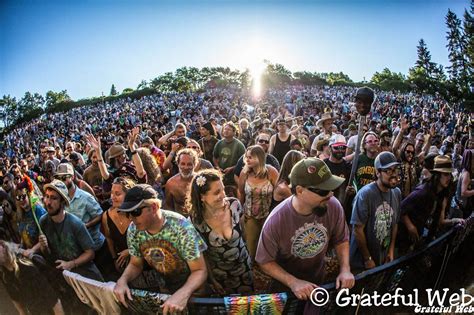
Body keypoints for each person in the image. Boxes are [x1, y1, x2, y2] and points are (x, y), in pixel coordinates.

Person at [256, 158, 354, 301]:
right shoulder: (276, 220)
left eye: (331, 189)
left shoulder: (333, 206)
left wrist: (345, 269)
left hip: (318, 280)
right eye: (323, 191)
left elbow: (341, 239)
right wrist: (293, 282)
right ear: (300, 190)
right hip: (285, 288)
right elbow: (264, 261)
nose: (330, 194)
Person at [113, 184, 207, 314]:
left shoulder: (181, 227)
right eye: (128, 214)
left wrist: (183, 294)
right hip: (166, 288)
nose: (132, 219)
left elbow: (199, 270)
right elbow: (135, 264)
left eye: (136, 212)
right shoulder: (134, 230)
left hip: (193, 291)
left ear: (154, 207)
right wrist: (122, 280)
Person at [189, 169, 253, 295]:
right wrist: (212, 280)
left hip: (244, 269)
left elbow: (244, 235)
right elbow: (203, 255)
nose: (223, 195)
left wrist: (249, 261)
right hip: (220, 276)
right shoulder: (195, 221)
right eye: (217, 192)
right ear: (202, 196)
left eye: (223, 189)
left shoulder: (234, 205)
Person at [36, 180, 103, 281]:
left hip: (86, 277)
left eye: (54, 198)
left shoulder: (75, 223)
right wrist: (44, 247)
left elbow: (90, 253)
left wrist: (71, 264)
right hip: (64, 277)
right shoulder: (43, 221)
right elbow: (48, 253)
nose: (48, 202)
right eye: (47, 196)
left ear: (63, 202)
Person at [398, 155, 465, 253]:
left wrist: (455, 220)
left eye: (450, 174)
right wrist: (410, 226)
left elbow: (440, 221)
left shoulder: (441, 193)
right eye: (445, 174)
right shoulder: (423, 192)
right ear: (437, 175)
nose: (449, 178)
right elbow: (400, 208)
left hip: (419, 236)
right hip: (404, 236)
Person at [350, 152, 402, 271]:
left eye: (395, 170)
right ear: (377, 173)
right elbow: (357, 229)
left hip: (383, 258)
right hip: (361, 263)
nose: (393, 174)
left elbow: (395, 224)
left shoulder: (396, 192)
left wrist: (391, 250)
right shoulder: (365, 194)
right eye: (388, 171)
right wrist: (367, 258)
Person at [0, 240, 65, 315]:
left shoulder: (26, 268)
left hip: (49, 309)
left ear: (4, 248)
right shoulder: (4, 274)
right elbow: (16, 301)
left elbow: (54, 301)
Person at [237, 145, 278, 260]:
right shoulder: (244, 173)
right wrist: (240, 212)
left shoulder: (271, 171)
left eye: (251, 157)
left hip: (268, 215)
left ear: (259, 158)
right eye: (246, 157)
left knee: (268, 245)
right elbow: (241, 193)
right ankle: (251, 270)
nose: (247, 159)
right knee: (251, 248)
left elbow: (279, 192)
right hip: (250, 216)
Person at [102, 177, 135, 274]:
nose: (112, 197)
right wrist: (114, 259)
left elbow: (149, 240)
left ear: (128, 196)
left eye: (118, 194)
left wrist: (130, 251)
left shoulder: (137, 215)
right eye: (112, 193)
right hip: (123, 265)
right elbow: (109, 238)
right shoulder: (106, 216)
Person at [164, 148, 198, 216]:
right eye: (183, 164)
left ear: (195, 164)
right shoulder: (171, 183)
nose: (185, 167)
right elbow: (168, 207)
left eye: (189, 164)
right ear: (178, 164)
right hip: (180, 221)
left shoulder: (199, 181)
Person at [213, 122, 246, 190]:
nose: (226, 131)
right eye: (225, 129)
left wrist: (232, 168)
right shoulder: (219, 143)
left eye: (229, 130)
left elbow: (244, 161)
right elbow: (214, 157)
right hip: (221, 176)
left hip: (234, 177)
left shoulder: (239, 145)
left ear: (234, 132)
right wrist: (217, 167)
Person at [454, 149, 474, 218]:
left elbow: (465, 182)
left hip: (458, 203)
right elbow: (464, 192)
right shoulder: (467, 174)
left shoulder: (464, 170)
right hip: (461, 206)